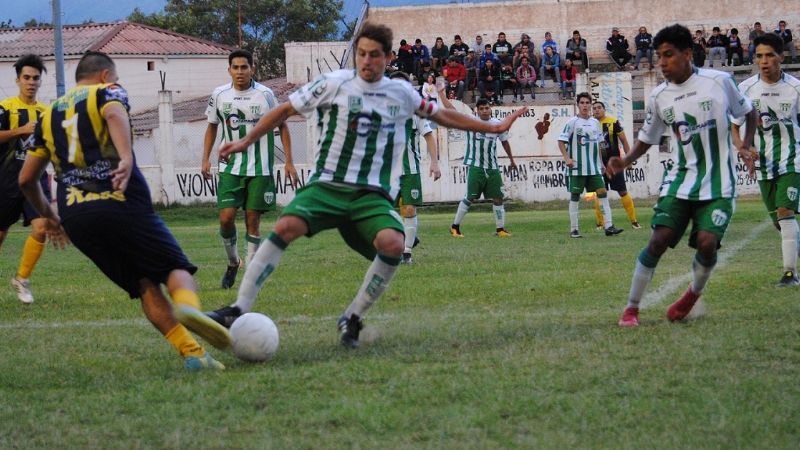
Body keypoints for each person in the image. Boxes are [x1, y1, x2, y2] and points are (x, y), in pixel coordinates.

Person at [205, 23, 526, 348]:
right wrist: (247, 139)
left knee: (393, 244)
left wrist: (492, 126)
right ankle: (237, 309)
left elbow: (443, 116)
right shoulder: (333, 84)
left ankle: (353, 317)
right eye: (361, 54)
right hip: (328, 185)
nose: (366, 61)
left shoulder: (400, 94)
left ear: (387, 58)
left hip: (370, 194)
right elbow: (285, 110)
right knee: (286, 225)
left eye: (374, 55)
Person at [20, 51, 231, 370]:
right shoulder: (108, 91)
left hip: (76, 217)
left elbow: (26, 179)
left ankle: (193, 354)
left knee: (144, 283)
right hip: (120, 199)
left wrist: (50, 216)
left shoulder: (47, 115)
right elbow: (115, 114)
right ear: (105, 75)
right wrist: (126, 158)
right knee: (175, 268)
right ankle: (189, 309)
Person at [606, 24, 756, 327]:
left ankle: (691, 296)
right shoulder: (659, 96)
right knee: (658, 239)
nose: (662, 62)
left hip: (719, 183)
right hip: (680, 180)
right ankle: (631, 309)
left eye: (668, 55)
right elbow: (648, 138)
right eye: (659, 56)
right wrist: (625, 161)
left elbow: (749, 112)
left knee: (706, 242)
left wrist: (747, 144)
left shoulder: (720, 82)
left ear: (688, 54)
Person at [201, 49, 295, 290]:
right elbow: (212, 127)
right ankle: (233, 262)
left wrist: (289, 161)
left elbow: (282, 126)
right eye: (236, 67)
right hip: (230, 167)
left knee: (253, 221)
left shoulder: (265, 95)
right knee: (226, 218)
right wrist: (205, 159)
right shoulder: (219, 95)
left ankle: (250, 279)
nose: (240, 72)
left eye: (245, 67)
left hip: (260, 167)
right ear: (229, 70)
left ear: (252, 68)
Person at [732, 33, 800, 286]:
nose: (764, 61)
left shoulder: (795, 89)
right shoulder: (746, 89)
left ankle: (789, 273)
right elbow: (734, 126)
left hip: (793, 159)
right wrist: (742, 147)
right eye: (759, 55)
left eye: (770, 55)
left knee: (785, 211)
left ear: (781, 57)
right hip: (763, 164)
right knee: (779, 222)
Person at [0, 55, 50, 304]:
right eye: (27, 78)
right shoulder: (5, 107)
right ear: (18, 80)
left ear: (41, 82)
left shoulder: (46, 112)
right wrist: (19, 130)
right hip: (6, 178)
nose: (31, 82)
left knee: (41, 227)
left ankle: (22, 279)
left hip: (36, 179)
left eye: (36, 78)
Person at [389, 71, 442, 264]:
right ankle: (407, 235)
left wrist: (434, 162)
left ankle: (407, 251)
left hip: (410, 170)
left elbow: (428, 135)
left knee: (409, 209)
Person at [448, 98, 518, 238]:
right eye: (482, 109)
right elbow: (451, 111)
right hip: (476, 166)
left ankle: (500, 229)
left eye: (487, 108)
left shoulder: (497, 124)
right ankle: (455, 227)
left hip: (492, 167)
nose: (485, 111)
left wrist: (511, 160)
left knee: (498, 197)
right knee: (470, 197)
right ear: (477, 111)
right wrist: (441, 94)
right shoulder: (471, 122)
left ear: (490, 108)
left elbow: (505, 142)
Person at [558, 92, 624, 238]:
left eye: (587, 103)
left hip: (593, 167)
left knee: (602, 192)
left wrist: (601, 163)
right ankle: (574, 229)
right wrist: (566, 158)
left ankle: (609, 226)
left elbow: (599, 145)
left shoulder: (595, 123)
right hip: (577, 168)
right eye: (582, 103)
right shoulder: (572, 122)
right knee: (575, 196)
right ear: (578, 105)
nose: (585, 105)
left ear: (590, 105)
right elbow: (561, 141)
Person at [591, 101, 640, 230]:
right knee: (600, 193)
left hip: (614, 164)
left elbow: (624, 141)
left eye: (599, 108)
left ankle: (634, 221)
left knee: (623, 191)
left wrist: (628, 161)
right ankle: (600, 224)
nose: (596, 110)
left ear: (604, 109)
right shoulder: (590, 124)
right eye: (594, 108)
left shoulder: (613, 122)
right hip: (598, 165)